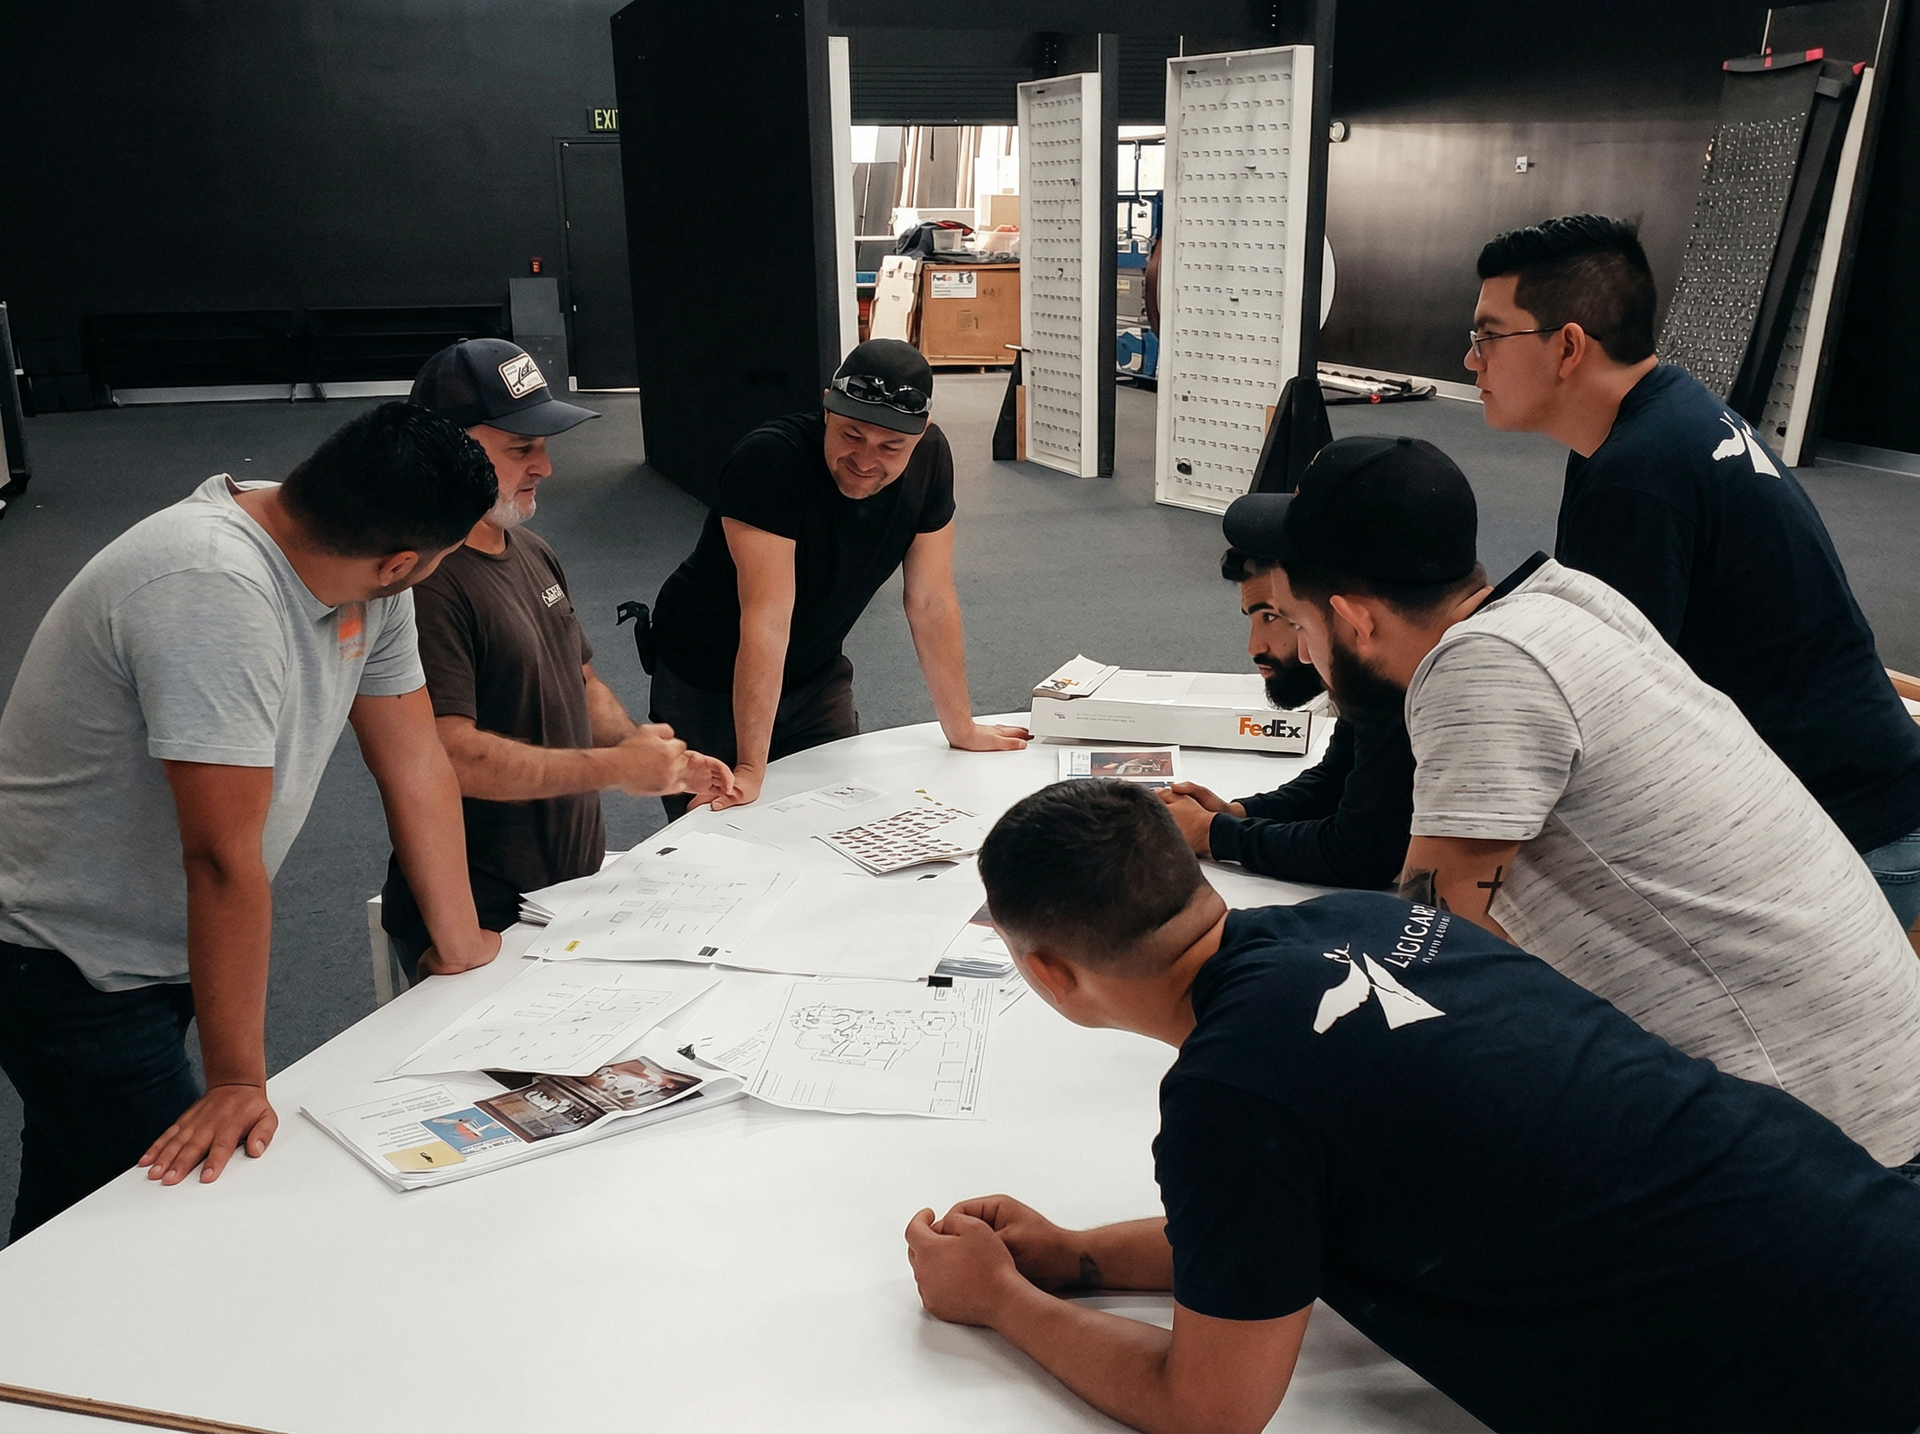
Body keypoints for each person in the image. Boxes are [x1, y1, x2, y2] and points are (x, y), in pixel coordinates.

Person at [905, 780, 1920, 1434]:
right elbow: (1276, 1222)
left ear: (1046, 972)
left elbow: (1211, 1408)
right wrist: (1077, 1256)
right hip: (1859, 1223)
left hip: (1809, 1386)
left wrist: (1001, 1300)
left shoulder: (1229, 1093)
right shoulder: (1373, 918)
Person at [1237, 434, 1920, 1166]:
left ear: (1355, 618)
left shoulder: (1477, 672)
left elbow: (1424, 961)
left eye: (1301, 627)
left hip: (1824, 1144)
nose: (1302, 655)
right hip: (1871, 1079)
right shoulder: (1566, 598)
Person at [0, 403, 502, 1238]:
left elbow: (414, 764)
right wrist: (238, 1081)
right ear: (402, 560)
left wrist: (459, 946)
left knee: (74, 1208)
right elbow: (221, 857)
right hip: (64, 955)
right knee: (170, 1222)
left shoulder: (366, 573)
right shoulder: (212, 589)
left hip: (166, 939)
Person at [1468, 214, 1920, 930]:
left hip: (1847, 835)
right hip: (1856, 793)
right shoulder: (1655, 421)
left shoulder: (1641, 476)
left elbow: (1605, 720)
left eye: (1488, 335)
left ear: (1569, 346)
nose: (1472, 360)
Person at [380, 340, 731, 979]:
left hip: (561, 894)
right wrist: (617, 767)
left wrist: (651, 757)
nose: (545, 467)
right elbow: (445, 757)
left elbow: (580, 677)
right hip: (476, 914)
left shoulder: (530, 549)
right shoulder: (424, 582)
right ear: (445, 448)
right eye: (520, 449)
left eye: (544, 446)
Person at [645, 339, 1025, 816]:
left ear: (921, 432)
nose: (866, 460)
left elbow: (930, 600)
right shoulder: (770, 461)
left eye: (891, 446)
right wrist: (748, 768)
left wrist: (961, 727)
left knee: (836, 820)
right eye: (852, 435)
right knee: (716, 839)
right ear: (827, 408)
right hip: (706, 674)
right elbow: (767, 618)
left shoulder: (930, 460)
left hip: (815, 673)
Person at [1158, 539, 1413, 890]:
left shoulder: (1397, 686)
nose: (1254, 647)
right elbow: (1337, 779)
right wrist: (1234, 814)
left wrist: (1213, 833)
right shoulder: (1367, 679)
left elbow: (1360, 852)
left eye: (1275, 617)